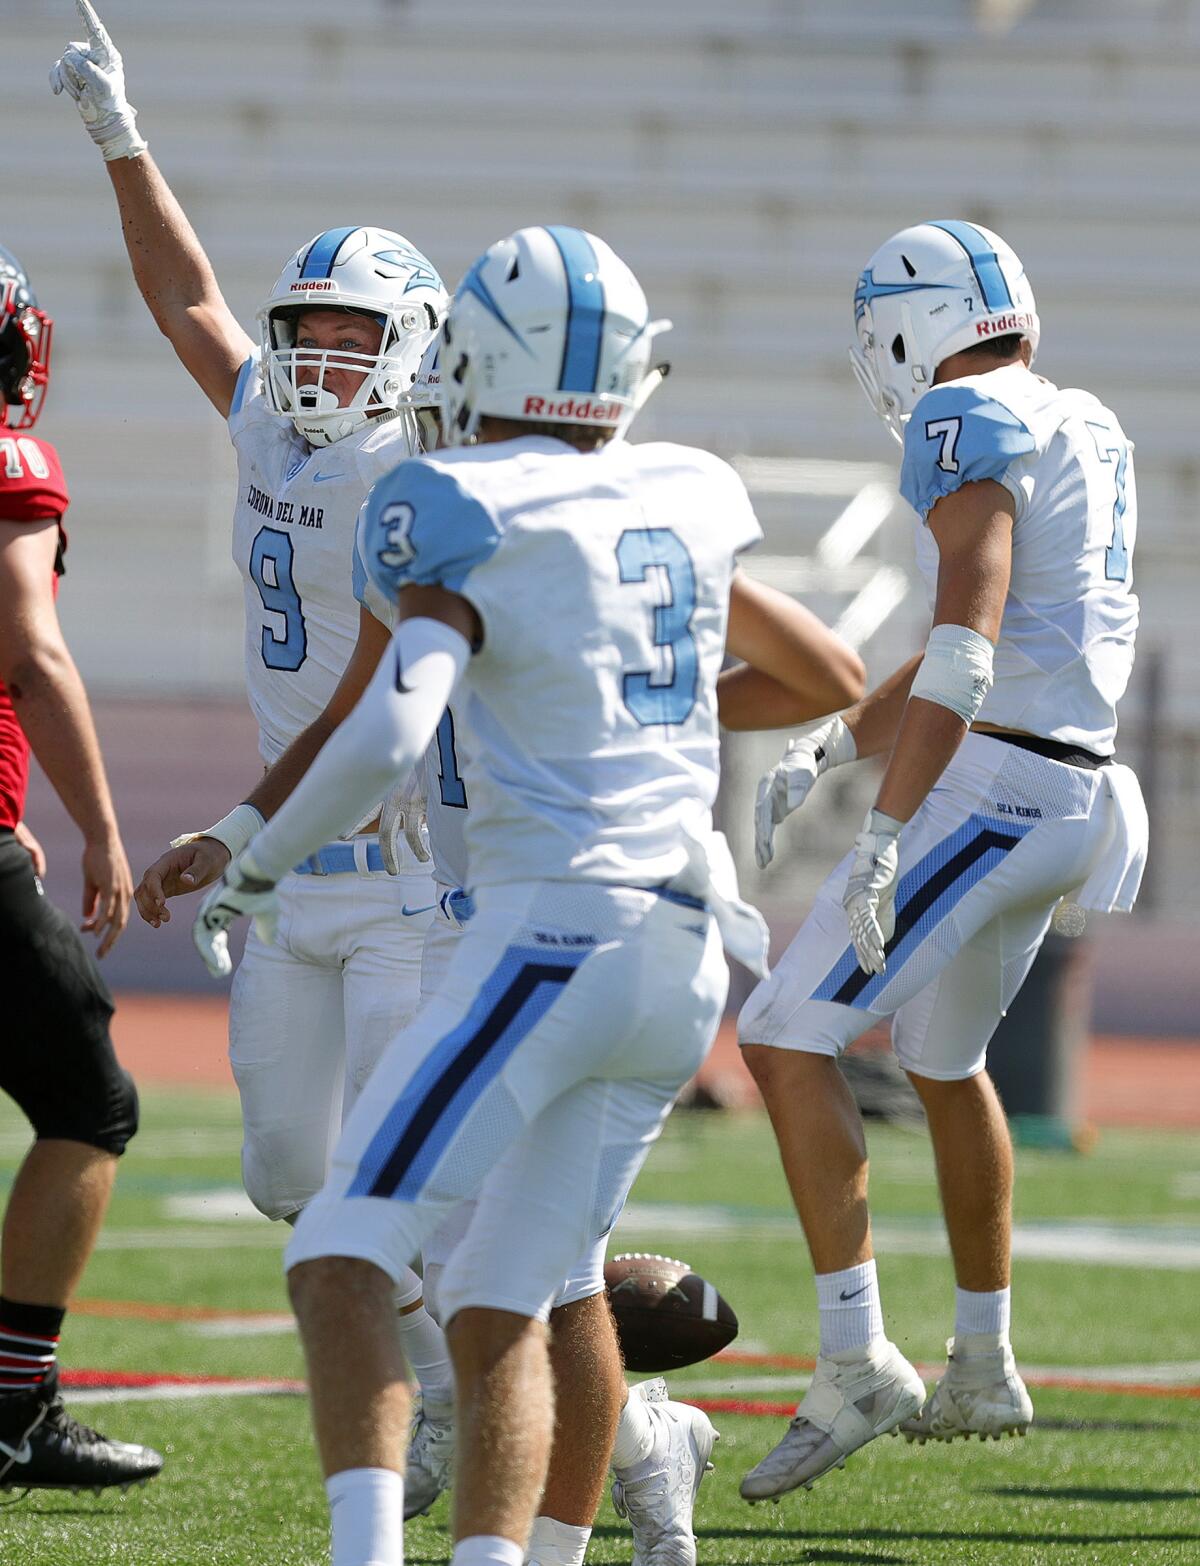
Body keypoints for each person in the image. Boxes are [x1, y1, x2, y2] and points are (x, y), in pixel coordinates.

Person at [186, 222, 844, 1566]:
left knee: (344, 1258)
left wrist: (254, 853)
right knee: (515, 1298)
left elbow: (383, 726)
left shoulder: (462, 504)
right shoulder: (682, 490)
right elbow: (830, 670)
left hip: (551, 934)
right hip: (681, 957)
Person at [52, 1, 457, 1511]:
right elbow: (184, 299)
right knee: (289, 1174)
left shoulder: (419, 477)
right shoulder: (278, 436)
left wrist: (234, 824)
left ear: (410, 349)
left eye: (354, 339)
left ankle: (458, 1410)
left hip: (401, 875)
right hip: (291, 880)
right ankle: (510, 1368)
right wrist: (122, 138)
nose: (321, 361)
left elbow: (368, 699)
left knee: (385, 1191)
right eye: (310, 335)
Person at [737, 219, 1148, 1502]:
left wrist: (885, 831)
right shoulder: (1082, 416)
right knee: (942, 1059)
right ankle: (984, 1359)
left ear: (908, 329)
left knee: (783, 1034)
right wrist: (836, 742)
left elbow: (968, 647)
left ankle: (856, 1357)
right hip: (1069, 780)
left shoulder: (958, 416)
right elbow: (994, 627)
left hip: (1002, 785)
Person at [0, 242, 162, 1492]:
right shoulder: (13, 459)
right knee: (92, 1101)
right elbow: (33, 651)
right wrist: (102, 824)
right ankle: (12, 1412)